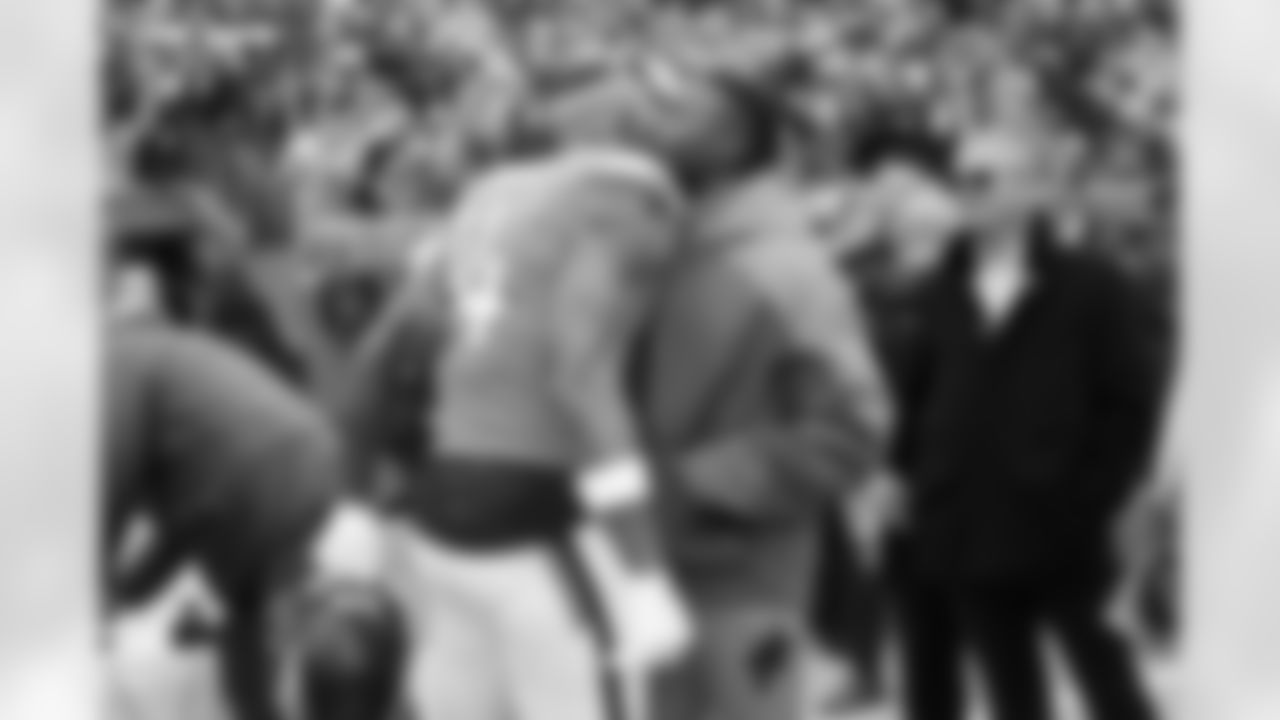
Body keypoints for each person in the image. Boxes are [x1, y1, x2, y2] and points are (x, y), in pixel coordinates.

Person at [339, 68, 695, 720]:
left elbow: (377, 357)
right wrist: (643, 569)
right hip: (541, 522)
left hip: (441, 508)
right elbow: (580, 377)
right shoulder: (626, 203)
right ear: (625, 125)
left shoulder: (491, 193)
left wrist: (353, 505)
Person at [625, 71, 895, 720]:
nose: (645, 122)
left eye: (676, 110)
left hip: (736, 588)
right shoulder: (644, 249)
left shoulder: (789, 271)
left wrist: (687, 485)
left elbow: (852, 431)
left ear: (732, 140)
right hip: (634, 578)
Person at [891, 125, 1168, 720]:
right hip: (965, 525)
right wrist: (920, 486)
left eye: (982, 177)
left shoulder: (1093, 286)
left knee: (1110, 684)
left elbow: (1131, 402)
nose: (965, 191)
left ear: (1035, 190)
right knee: (1010, 692)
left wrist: (1089, 494)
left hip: (1066, 527)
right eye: (958, 177)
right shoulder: (935, 290)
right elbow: (914, 402)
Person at [104, 254, 388, 720]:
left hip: (273, 497)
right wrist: (132, 590)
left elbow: (111, 493)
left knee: (270, 648)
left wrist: (96, 597)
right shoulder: (165, 360)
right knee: (254, 644)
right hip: (298, 478)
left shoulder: (120, 362)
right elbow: (186, 514)